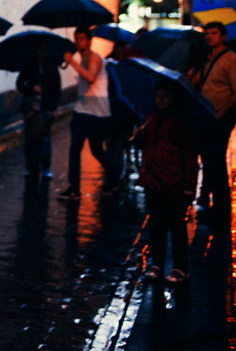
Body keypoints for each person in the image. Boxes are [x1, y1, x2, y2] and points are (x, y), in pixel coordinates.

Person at [131, 81, 198, 284]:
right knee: (156, 224)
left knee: (176, 226)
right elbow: (145, 146)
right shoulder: (151, 118)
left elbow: (189, 157)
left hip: (173, 181)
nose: (160, 100)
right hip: (152, 180)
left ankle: (180, 267)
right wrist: (138, 137)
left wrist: (189, 187)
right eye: (157, 95)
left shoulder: (182, 123)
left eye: (165, 96)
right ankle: (157, 263)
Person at [187, 21, 236, 222]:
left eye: (214, 33)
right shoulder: (207, 60)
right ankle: (213, 205)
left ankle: (221, 209)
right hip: (207, 116)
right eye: (207, 33)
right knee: (209, 161)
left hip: (221, 117)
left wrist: (222, 113)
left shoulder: (230, 59)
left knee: (215, 162)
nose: (209, 37)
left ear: (223, 36)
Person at [59, 27, 116, 199]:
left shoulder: (94, 58)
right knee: (75, 149)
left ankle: (114, 176)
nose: (78, 42)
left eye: (82, 38)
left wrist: (72, 62)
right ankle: (74, 188)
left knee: (96, 150)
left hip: (97, 113)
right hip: (82, 111)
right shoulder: (82, 58)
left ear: (89, 41)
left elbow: (90, 77)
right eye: (77, 38)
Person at [16, 42, 60, 179]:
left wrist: (53, 108)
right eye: (40, 49)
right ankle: (31, 167)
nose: (42, 53)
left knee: (45, 138)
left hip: (46, 106)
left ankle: (46, 167)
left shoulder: (52, 67)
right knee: (30, 139)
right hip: (31, 106)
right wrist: (31, 88)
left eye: (44, 50)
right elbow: (20, 84)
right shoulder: (28, 66)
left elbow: (56, 88)